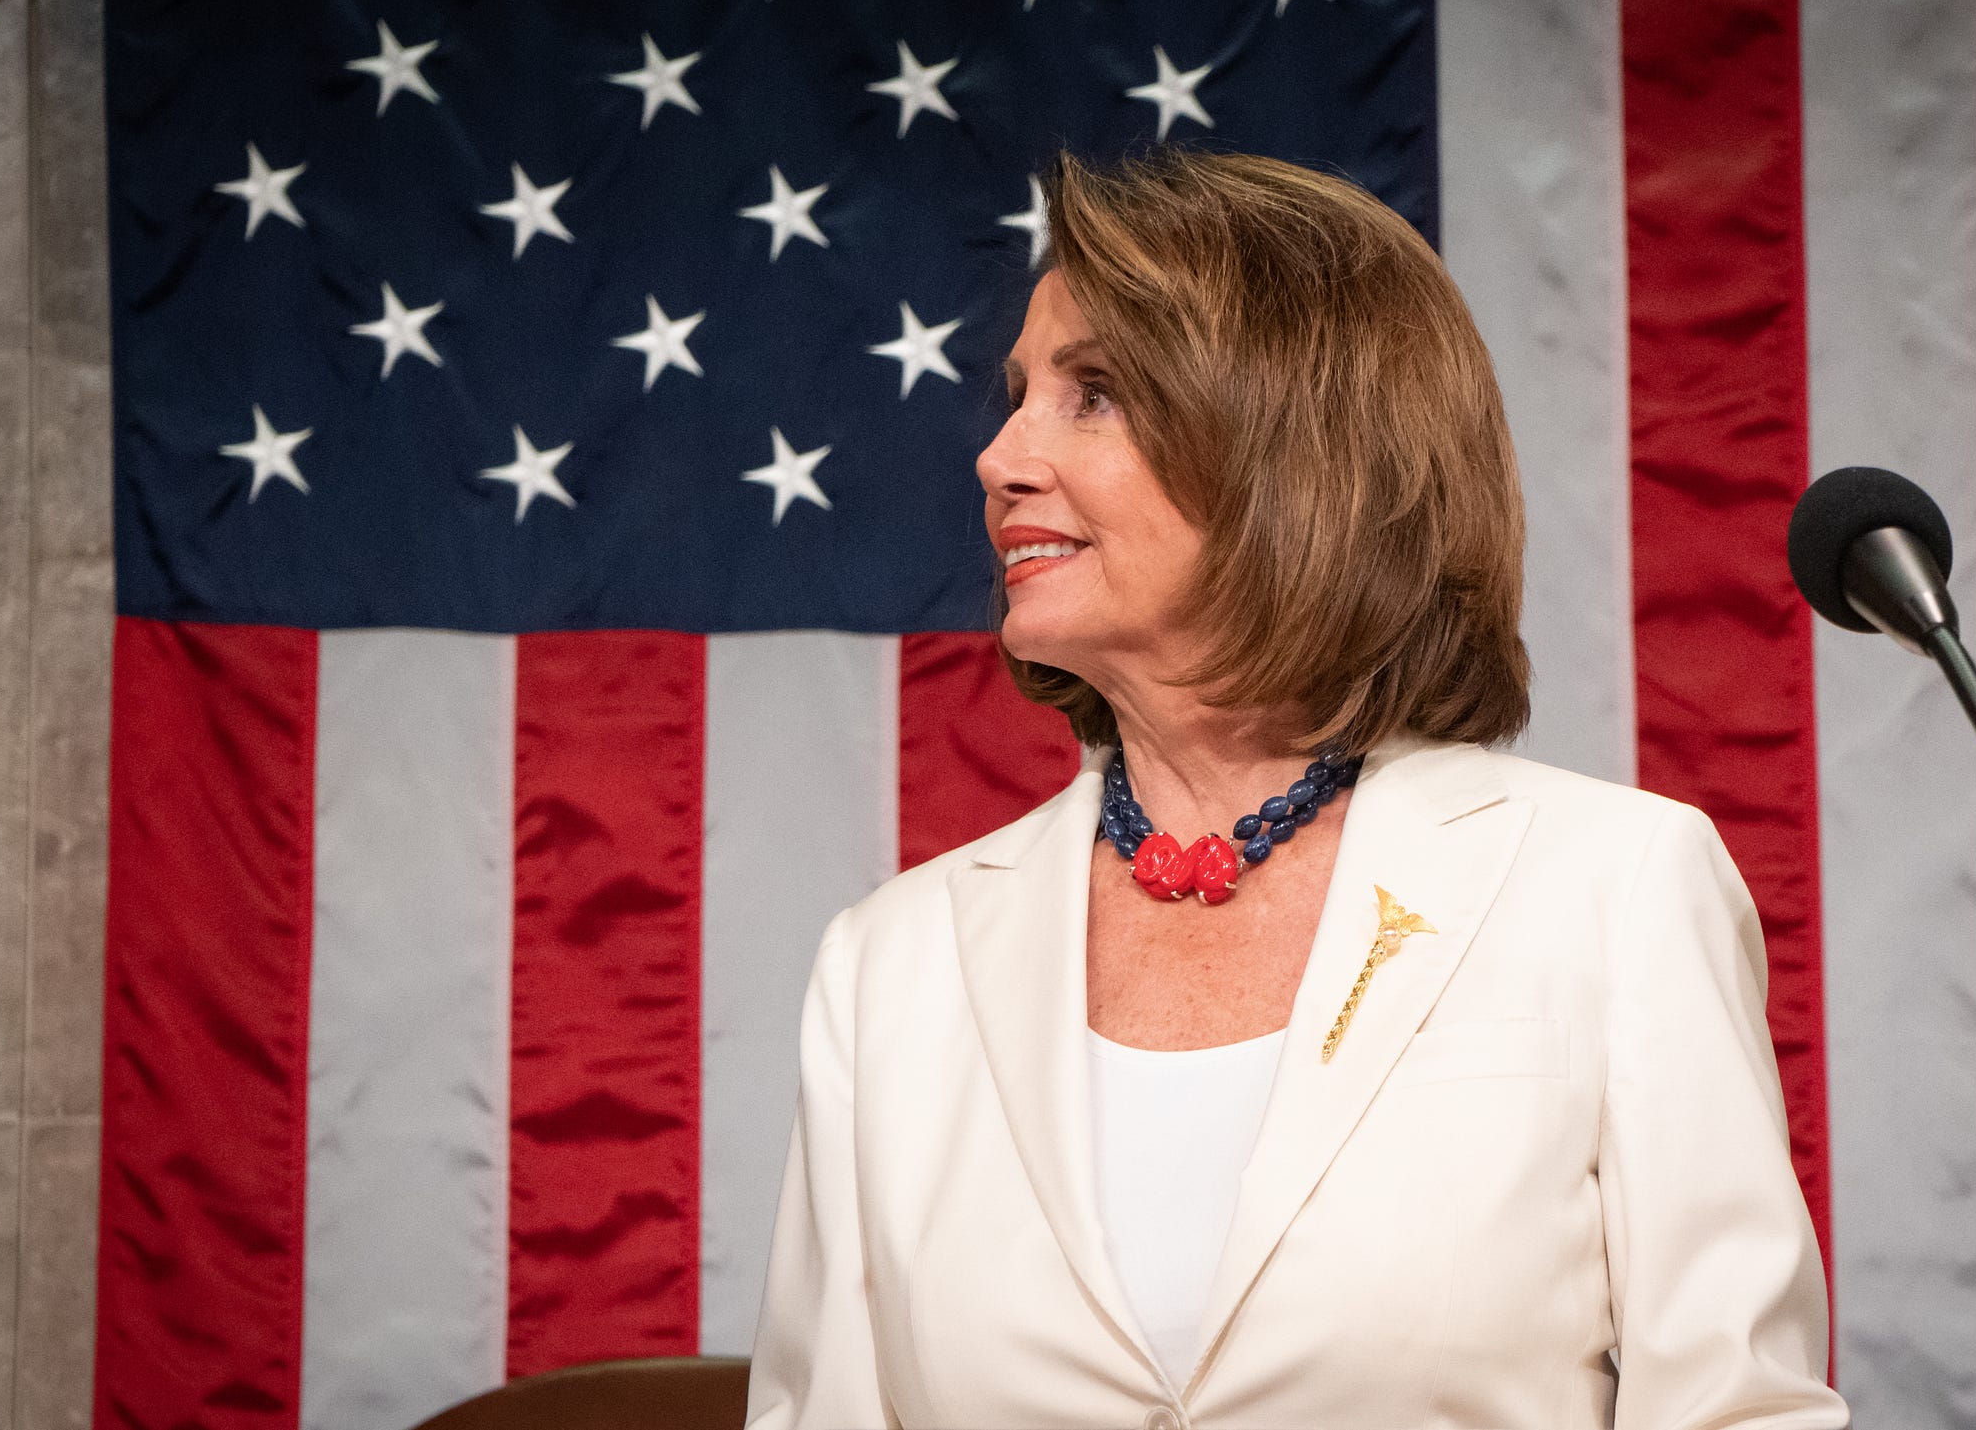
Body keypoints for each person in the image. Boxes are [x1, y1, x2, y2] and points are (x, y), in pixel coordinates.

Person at [744, 146, 1846, 1430]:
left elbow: (1737, 1414)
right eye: (1017, 395)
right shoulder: (891, 963)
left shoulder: (1613, 888)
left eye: (1090, 393)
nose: (998, 455)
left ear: (1291, 445)